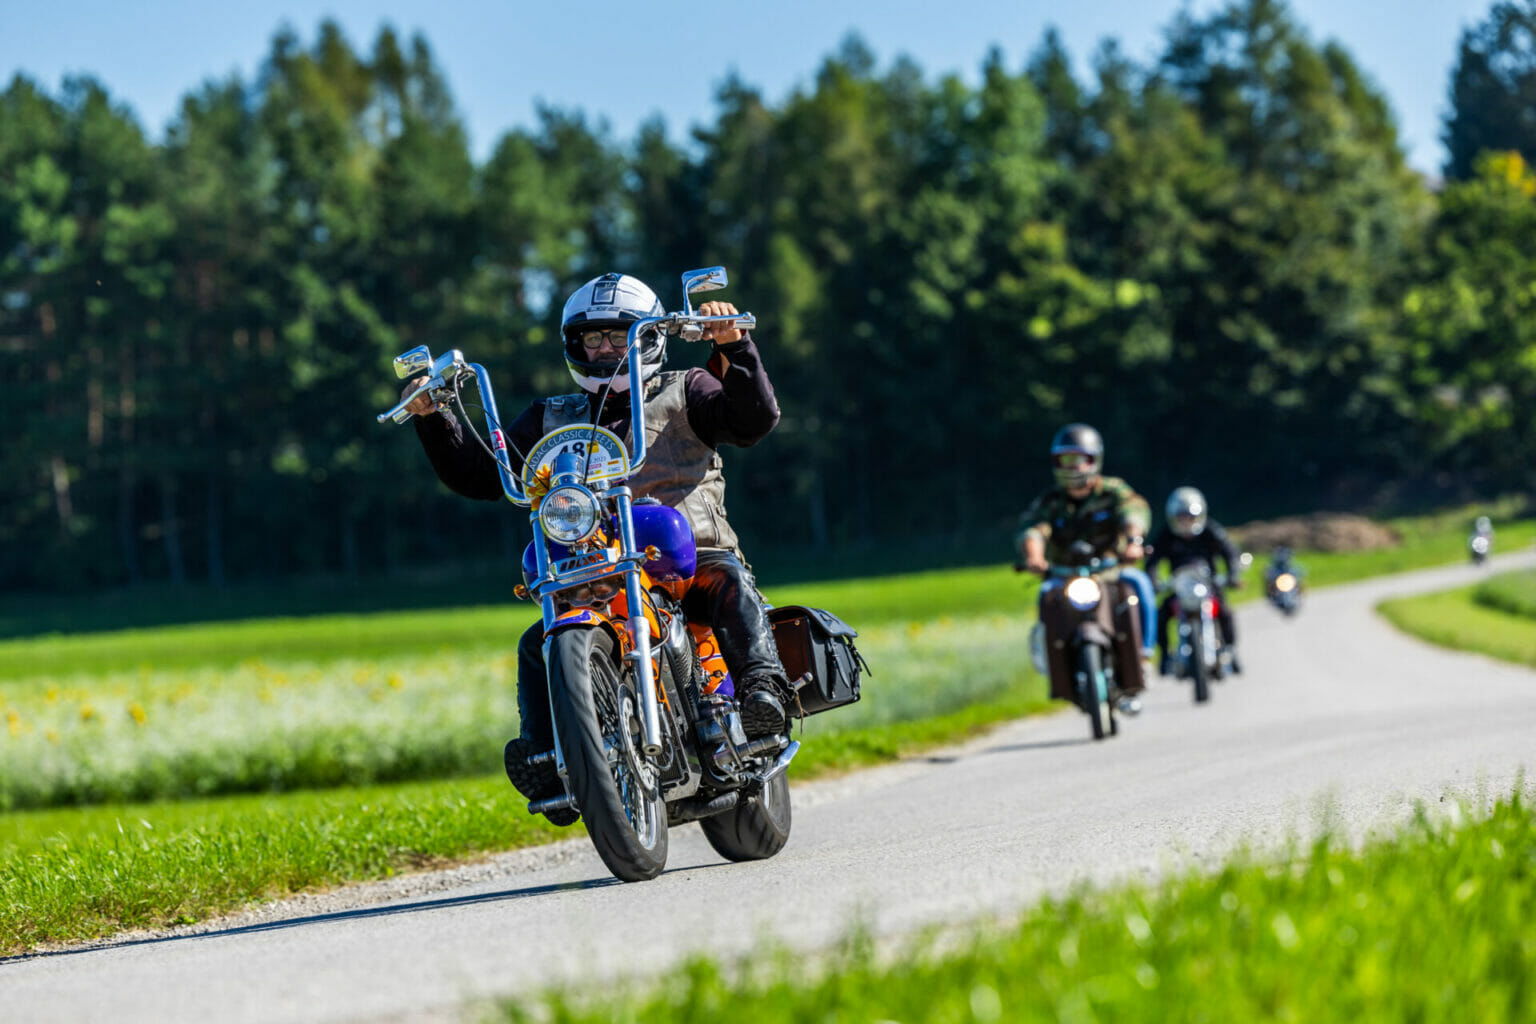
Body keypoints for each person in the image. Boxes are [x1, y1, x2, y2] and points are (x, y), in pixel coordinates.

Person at [400, 272, 794, 815]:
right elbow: (483, 476)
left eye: (618, 336)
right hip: (593, 565)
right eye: (593, 339)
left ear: (649, 335)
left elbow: (755, 419)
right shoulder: (549, 417)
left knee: (728, 583)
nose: (605, 348)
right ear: (574, 346)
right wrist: (435, 417)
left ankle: (763, 694)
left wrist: (734, 344)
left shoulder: (686, 388)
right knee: (537, 643)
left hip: (688, 553)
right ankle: (545, 757)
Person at [1015, 423, 1155, 713]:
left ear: (1094, 460)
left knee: (1137, 585)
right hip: (1064, 574)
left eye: (1078, 458)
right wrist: (1034, 557)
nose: (1073, 466)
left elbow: (1134, 511)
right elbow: (1033, 530)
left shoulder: (1113, 491)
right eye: (1066, 459)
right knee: (1046, 598)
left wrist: (1133, 542)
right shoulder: (1051, 502)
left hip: (1109, 569)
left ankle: (1143, 653)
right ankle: (1054, 666)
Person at [1145, 486, 1243, 676]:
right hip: (1180, 587)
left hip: (1209, 586)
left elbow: (1230, 553)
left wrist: (1232, 575)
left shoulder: (1210, 531)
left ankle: (1230, 651)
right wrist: (1153, 581)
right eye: (1182, 517)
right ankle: (1165, 655)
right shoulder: (1166, 535)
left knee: (1225, 612)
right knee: (1162, 614)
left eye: (1190, 516)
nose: (1186, 522)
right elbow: (1152, 561)